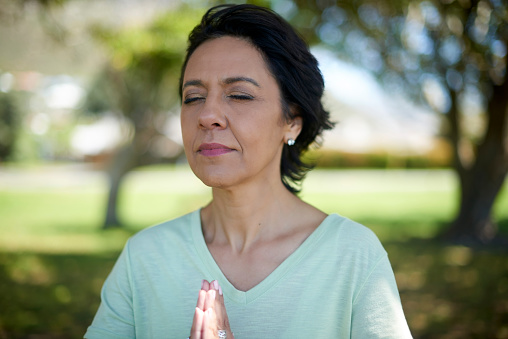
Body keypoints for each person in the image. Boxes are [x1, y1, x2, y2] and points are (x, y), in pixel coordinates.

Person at [85, 4, 413, 339]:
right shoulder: (145, 258)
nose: (207, 115)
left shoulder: (352, 257)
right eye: (193, 97)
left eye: (239, 95)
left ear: (291, 122)